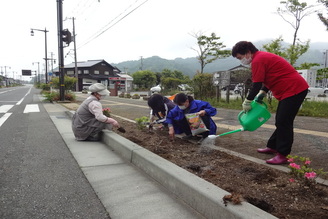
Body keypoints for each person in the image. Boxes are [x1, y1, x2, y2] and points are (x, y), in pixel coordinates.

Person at [231, 41, 309, 165]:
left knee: (284, 121)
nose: (241, 61)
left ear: (247, 52)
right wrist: (262, 93)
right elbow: (265, 80)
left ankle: (283, 154)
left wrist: (248, 100)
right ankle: (273, 146)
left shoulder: (258, 60)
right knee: (282, 120)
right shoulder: (261, 57)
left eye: (240, 57)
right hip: (290, 90)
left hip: (294, 89)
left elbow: (256, 85)